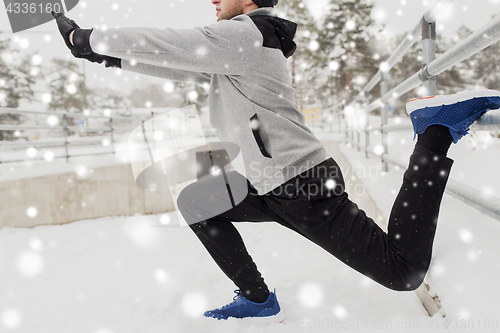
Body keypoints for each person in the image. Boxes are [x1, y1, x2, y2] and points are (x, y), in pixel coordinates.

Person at [53, 0, 500, 323]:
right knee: (196, 201)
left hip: (302, 186)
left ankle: (434, 131)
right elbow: (172, 61)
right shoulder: (237, 46)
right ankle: (257, 298)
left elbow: (172, 42)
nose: (212, 1)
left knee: (402, 271)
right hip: (274, 183)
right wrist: (100, 52)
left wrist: (87, 37)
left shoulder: (246, 33)